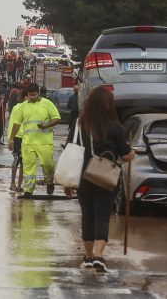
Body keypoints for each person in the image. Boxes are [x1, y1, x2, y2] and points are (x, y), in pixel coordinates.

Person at [64, 86, 134, 273]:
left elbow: (70, 149)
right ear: (109, 105)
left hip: (83, 177)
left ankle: (88, 257)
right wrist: (131, 153)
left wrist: (67, 183)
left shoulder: (80, 124)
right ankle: (99, 256)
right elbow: (126, 155)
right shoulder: (115, 127)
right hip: (107, 177)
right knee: (103, 216)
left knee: (87, 216)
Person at [7, 83, 61, 196]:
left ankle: (49, 182)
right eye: (30, 95)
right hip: (28, 142)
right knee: (28, 166)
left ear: (39, 93)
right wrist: (11, 138)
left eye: (34, 94)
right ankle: (28, 190)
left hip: (44, 142)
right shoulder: (23, 106)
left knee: (48, 164)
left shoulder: (47, 104)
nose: (32, 97)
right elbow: (16, 124)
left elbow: (57, 118)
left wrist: (46, 125)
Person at [8, 88, 29, 192]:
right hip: (17, 138)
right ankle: (12, 183)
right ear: (24, 97)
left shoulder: (32, 108)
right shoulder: (17, 108)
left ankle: (20, 186)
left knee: (23, 162)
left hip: (28, 138)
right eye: (28, 96)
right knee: (16, 160)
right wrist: (10, 139)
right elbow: (12, 122)